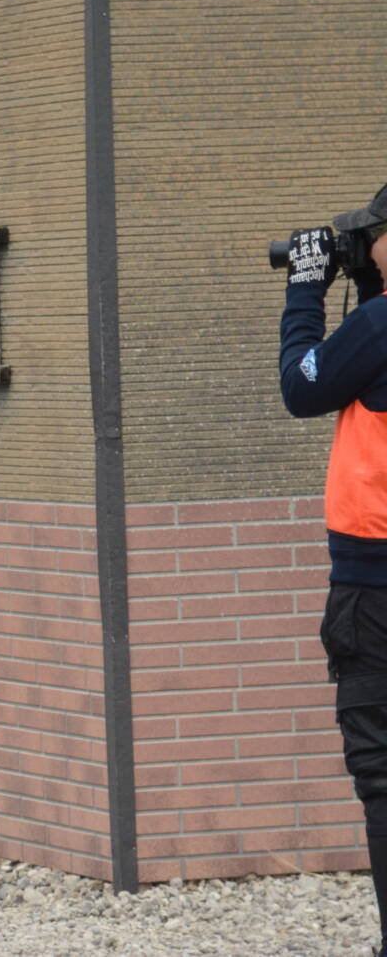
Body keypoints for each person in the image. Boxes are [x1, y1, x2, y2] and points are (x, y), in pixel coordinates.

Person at [279, 183, 387, 956]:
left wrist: (306, 289)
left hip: (375, 587)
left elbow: (301, 386)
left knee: (381, 770)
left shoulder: (379, 326)